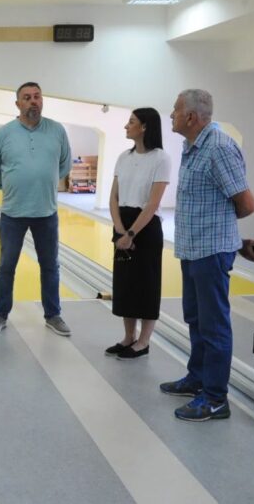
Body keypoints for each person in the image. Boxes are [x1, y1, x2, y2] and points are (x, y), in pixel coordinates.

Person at [160, 89, 254, 421]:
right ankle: (198, 379)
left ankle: (216, 398)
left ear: (190, 116)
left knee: (214, 325)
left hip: (211, 251)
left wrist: (227, 234)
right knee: (195, 319)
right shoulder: (192, 146)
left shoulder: (218, 148)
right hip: (193, 249)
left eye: (175, 110)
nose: (171, 115)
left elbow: (246, 204)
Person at [0, 82, 72, 337]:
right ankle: (0, 314)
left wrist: (45, 180)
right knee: (6, 267)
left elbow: (64, 165)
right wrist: (7, 182)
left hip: (46, 212)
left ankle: (53, 315)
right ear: (18, 104)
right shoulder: (4, 133)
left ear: (42, 100)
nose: (33, 101)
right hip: (13, 212)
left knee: (50, 266)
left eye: (37, 97)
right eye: (27, 97)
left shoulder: (57, 130)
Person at [106, 108, 171, 360]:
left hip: (145, 227)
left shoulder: (161, 159)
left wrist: (131, 234)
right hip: (122, 224)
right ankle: (128, 337)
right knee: (125, 284)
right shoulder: (124, 157)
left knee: (146, 284)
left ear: (144, 127)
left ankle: (143, 342)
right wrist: (119, 230)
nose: (126, 126)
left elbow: (153, 204)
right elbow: (114, 197)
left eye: (131, 122)